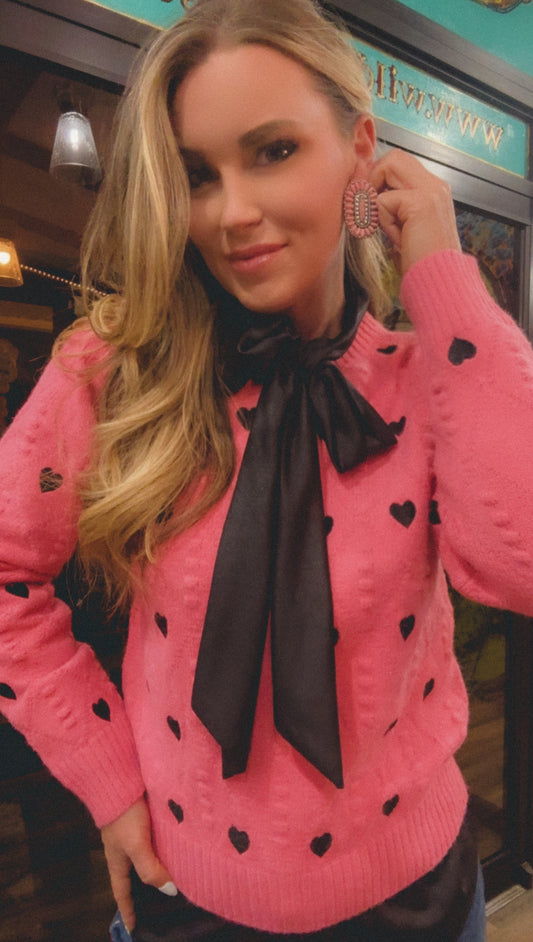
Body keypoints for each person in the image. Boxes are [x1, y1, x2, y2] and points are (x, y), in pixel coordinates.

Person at [1, 0, 532, 938]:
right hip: (186, 900)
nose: (233, 212)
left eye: (273, 151)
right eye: (197, 175)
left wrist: (441, 274)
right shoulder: (112, 370)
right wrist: (107, 779)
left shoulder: (428, 378)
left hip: (420, 902)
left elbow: (520, 560)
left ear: (360, 152)